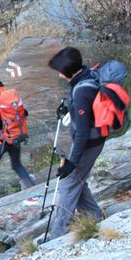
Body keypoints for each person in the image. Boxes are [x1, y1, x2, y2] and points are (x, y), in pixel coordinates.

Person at [44, 46, 106, 241]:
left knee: (67, 184)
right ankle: (93, 216)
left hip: (89, 143)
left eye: (61, 72)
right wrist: (69, 108)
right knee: (76, 181)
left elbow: (82, 133)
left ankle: (57, 235)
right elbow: (85, 109)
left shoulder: (81, 90)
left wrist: (72, 162)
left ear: (69, 72)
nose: (60, 76)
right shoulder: (88, 75)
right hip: (94, 139)